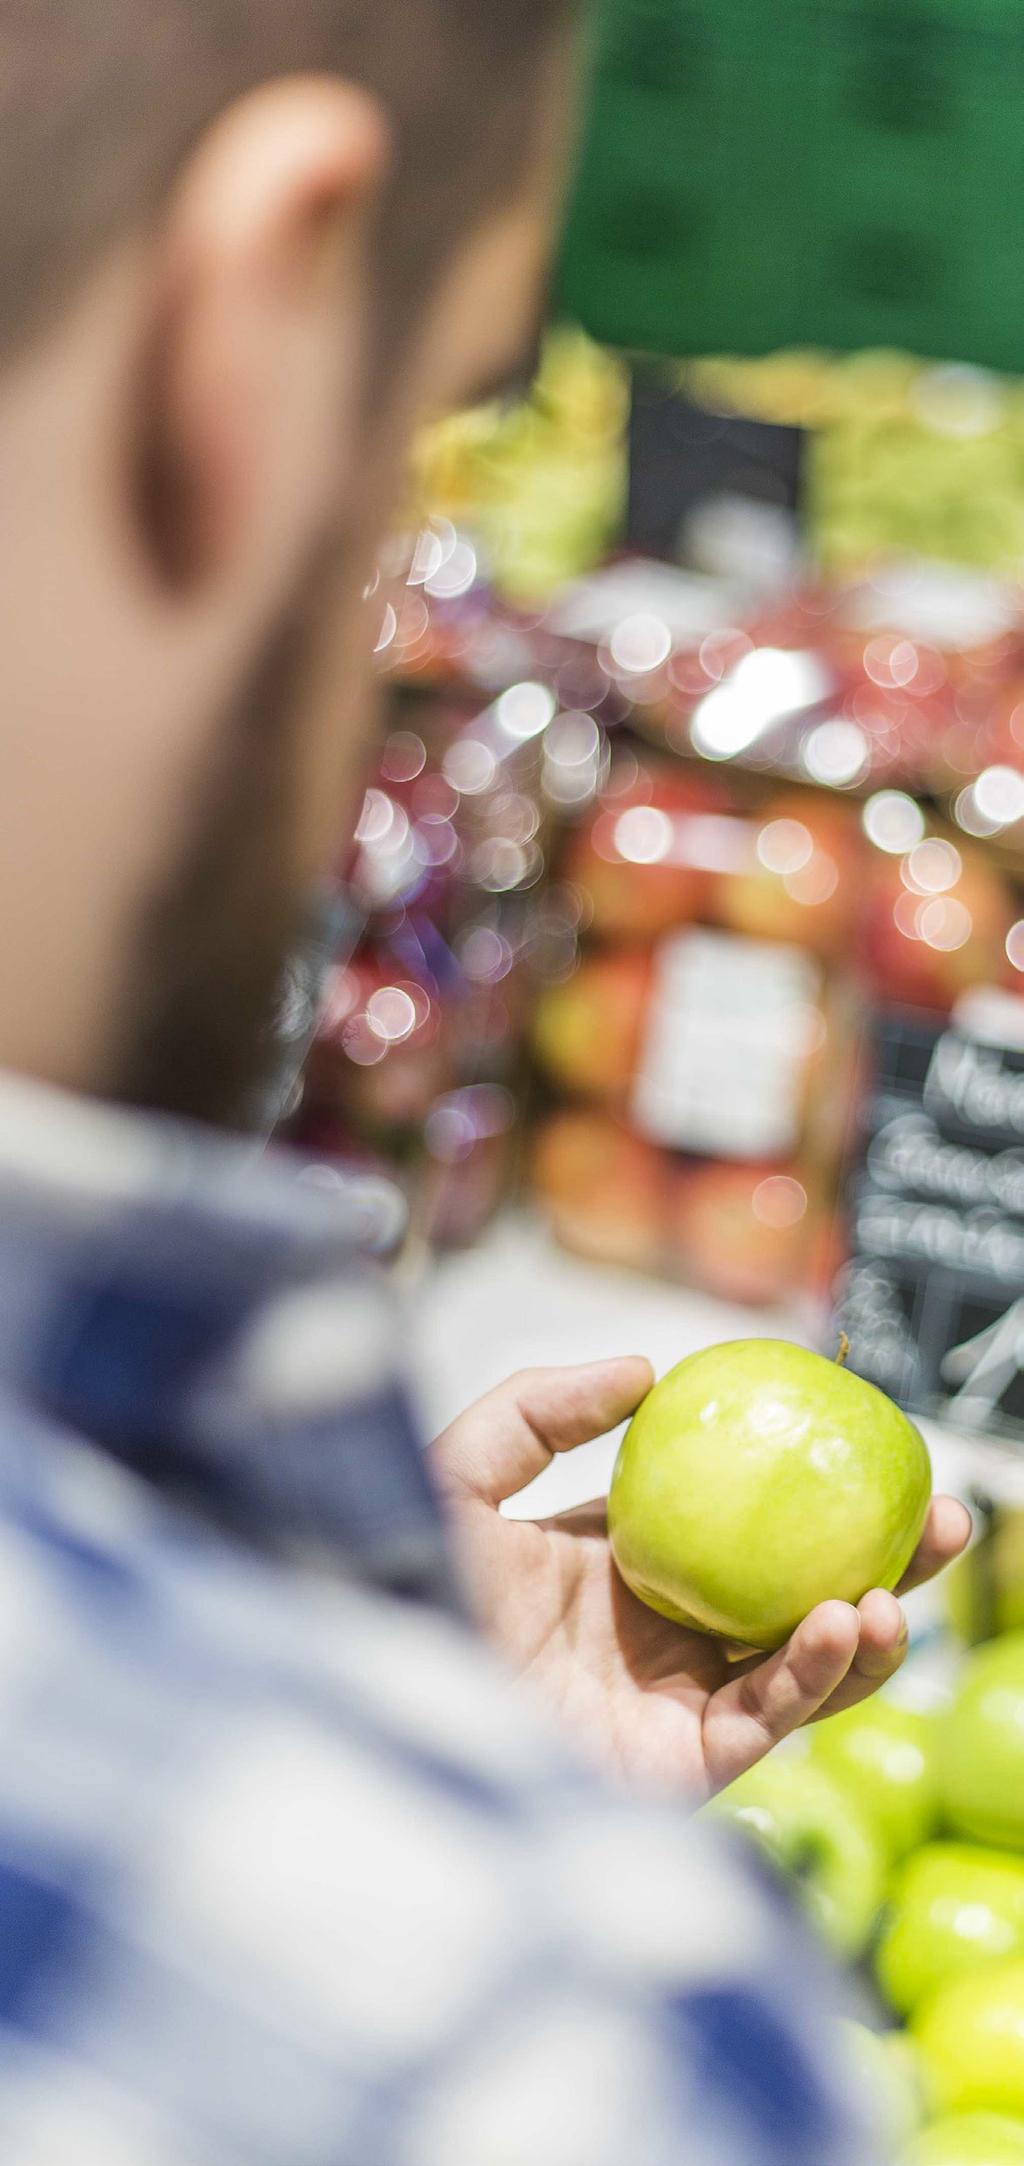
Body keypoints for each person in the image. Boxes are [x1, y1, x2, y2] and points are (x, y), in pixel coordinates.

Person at [0, 4, 969, 2160]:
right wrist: (403, 1828)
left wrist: (342, 1703)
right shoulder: (527, 2031)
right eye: (428, 425)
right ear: (240, 337)